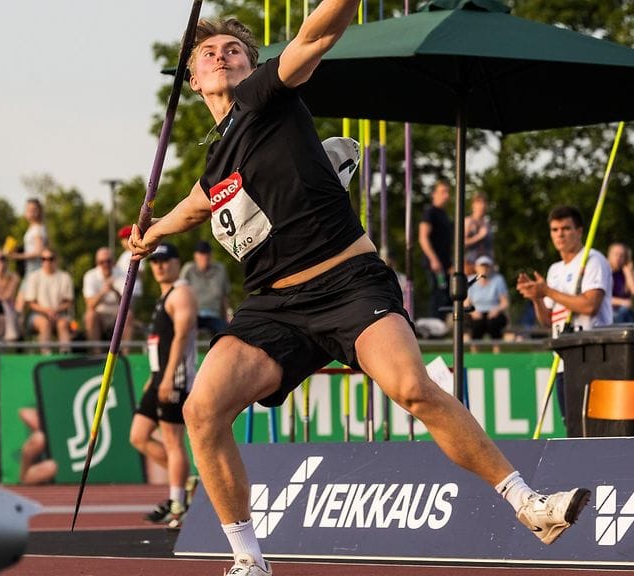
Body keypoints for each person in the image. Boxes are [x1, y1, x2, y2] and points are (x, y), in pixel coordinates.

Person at [127, 9, 589, 575]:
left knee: (413, 388)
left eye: (234, 50)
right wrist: (148, 234)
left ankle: (529, 505)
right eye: (208, 53)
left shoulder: (265, 95)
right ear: (192, 81)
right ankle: (249, 561)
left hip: (349, 285)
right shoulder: (218, 157)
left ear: (252, 65)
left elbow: (317, 32)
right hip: (274, 306)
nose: (222, 55)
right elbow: (198, 204)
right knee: (202, 410)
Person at [516, 205, 613, 425]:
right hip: (562, 361)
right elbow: (549, 320)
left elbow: (590, 306)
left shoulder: (593, 260)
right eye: (555, 229)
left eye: (566, 228)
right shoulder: (554, 270)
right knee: (571, 426)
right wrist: (537, 298)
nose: (560, 234)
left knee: (594, 426)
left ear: (579, 231)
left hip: (592, 358)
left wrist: (547, 291)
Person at [129, 243, 198, 530]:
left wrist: (168, 376)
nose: (159, 266)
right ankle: (184, 481)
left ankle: (177, 502)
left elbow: (182, 336)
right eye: (155, 261)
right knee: (139, 435)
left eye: (165, 261)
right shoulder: (164, 295)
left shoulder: (181, 293)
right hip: (159, 375)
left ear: (176, 263)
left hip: (175, 377)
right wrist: (154, 376)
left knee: (172, 440)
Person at [21, 248, 73, 354]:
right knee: (44, 323)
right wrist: (47, 311)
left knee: (63, 324)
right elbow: (31, 303)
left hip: (59, 314)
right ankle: (46, 355)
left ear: (56, 260)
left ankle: (65, 354)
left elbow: (68, 301)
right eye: (43, 259)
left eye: (50, 259)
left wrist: (55, 311)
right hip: (38, 315)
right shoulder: (33, 277)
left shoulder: (65, 277)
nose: (47, 262)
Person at [180, 240, 230, 337]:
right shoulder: (188, 269)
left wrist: (228, 316)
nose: (204, 257)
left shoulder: (220, 270)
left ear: (211, 255)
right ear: (195, 256)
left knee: (227, 333)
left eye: (207, 253)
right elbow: (180, 294)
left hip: (214, 315)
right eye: (201, 254)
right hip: (193, 315)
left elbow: (224, 297)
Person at [418, 180, 452, 319]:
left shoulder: (444, 214)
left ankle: (442, 325)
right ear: (434, 194)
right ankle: (434, 325)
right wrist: (434, 260)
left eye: (448, 192)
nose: (446, 195)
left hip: (445, 263)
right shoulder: (430, 213)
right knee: (437, 294)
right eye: (443, 191)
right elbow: (423, 237)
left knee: (446, 293)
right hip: (435, 264)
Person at [82, 247, 126, 353]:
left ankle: (126, 354)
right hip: (99, 314)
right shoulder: (90, 276)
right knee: (90, 315)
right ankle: (96, 354)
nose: (105, 264)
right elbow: (90, 305)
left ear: (113, 261)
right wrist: (103, 292)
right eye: (102, 262)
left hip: (117, 313)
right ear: (97, 263)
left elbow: (126, 304)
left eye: (108, 261)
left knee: (128, 314)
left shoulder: (123, 274)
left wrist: (114, 290)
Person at [464, 255, 509, 340]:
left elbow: (505, 302)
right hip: (475, 313)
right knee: (476, 324)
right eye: (482, 266)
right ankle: (474, 352)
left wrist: (497, 310)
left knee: (493, 323)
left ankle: (496, 351)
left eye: (487, 266)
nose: (484, 268)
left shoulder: (498, 280)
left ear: (491, 268)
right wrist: (473, 312)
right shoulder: (470, 280)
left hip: (493, 313)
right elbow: (466, 303)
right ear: (476, 267)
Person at [0, 248, 22, 342]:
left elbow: (3, 297)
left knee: (3, 305)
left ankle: (9, 338)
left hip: (8, 310)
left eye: (2, 258)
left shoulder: (13, 277)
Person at [11, 198, 49, 278]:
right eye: (28, 209)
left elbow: (38, 252)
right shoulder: (33, 228)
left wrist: (16, 256)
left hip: (35, 268)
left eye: (34, 209)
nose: (30, 212)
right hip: (30, 267)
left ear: (39, 212)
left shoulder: (37, 229)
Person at [607, 242, 634, 323]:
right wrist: (622, 302)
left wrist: (628, 272)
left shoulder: (627, 271)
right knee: (622, 313)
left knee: (626, 312)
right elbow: (603, 298)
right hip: (609, 310)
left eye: (622, 255)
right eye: (616, 254)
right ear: (609, 255)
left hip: (624, 311)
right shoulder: (604, 271)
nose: (618, 258)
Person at [463, 190, 493, 276]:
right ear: (473, 205)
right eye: (479, 202)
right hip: (471, 266)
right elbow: (462, 243)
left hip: (487, 266)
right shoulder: (468, 222)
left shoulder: (487, 224)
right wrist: (479, 236)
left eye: (484, 203)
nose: (482, 206)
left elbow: (491, 247)